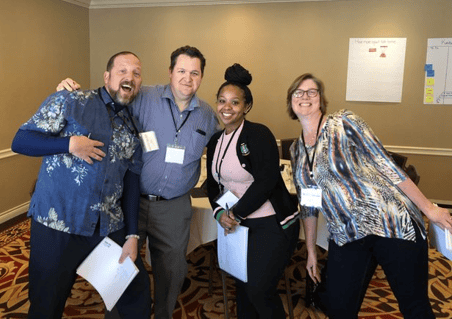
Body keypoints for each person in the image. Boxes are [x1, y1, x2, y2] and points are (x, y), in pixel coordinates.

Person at [57, 45, 220, 319]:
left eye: (195, 73)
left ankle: (164, 314)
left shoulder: (206, 114)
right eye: (181, 70)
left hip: (174, 207)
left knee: (171, 269)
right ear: (170, 72)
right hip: (130, 202)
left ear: (202, 77)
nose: (187, 78)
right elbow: (107, 95)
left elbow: (224, 147)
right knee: (120, 267)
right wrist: (71, 93)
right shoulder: (144, 97)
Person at [286, 73, 452, 319]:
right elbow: (309, 204)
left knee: (414, 306)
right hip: (347, 233)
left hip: (391, 222)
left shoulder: (343, 122)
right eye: (298, 92)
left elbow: (386, 164)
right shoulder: (297, 149)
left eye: (312, 92)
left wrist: (429, 209)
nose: (305, 97)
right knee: (339, 308)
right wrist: (310, 249)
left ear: (321, 99)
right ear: (290, 102)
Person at [11, 51, 151, 319]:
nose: (129, 78)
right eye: (122, 71)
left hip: (105, 227)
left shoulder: (132, 127)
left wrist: (132, 234)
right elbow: (20, 141)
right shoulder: (71, 100)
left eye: (135, 73)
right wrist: (70, 144)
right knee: (46, 304)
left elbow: (131, 183)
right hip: (57, 224)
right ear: (107, 76)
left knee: (133, 294)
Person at [206, 64, 300, 319]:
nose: (227, 107)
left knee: (259, 290)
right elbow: (213, 184)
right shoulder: (215, 141)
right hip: (238, 225)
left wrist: (235, 214)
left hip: (270, 224)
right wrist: (218, 214)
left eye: (235, 102)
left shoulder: (258, 134)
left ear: (246, 106)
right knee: (243, 289)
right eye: (222, 101)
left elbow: (266, 181)